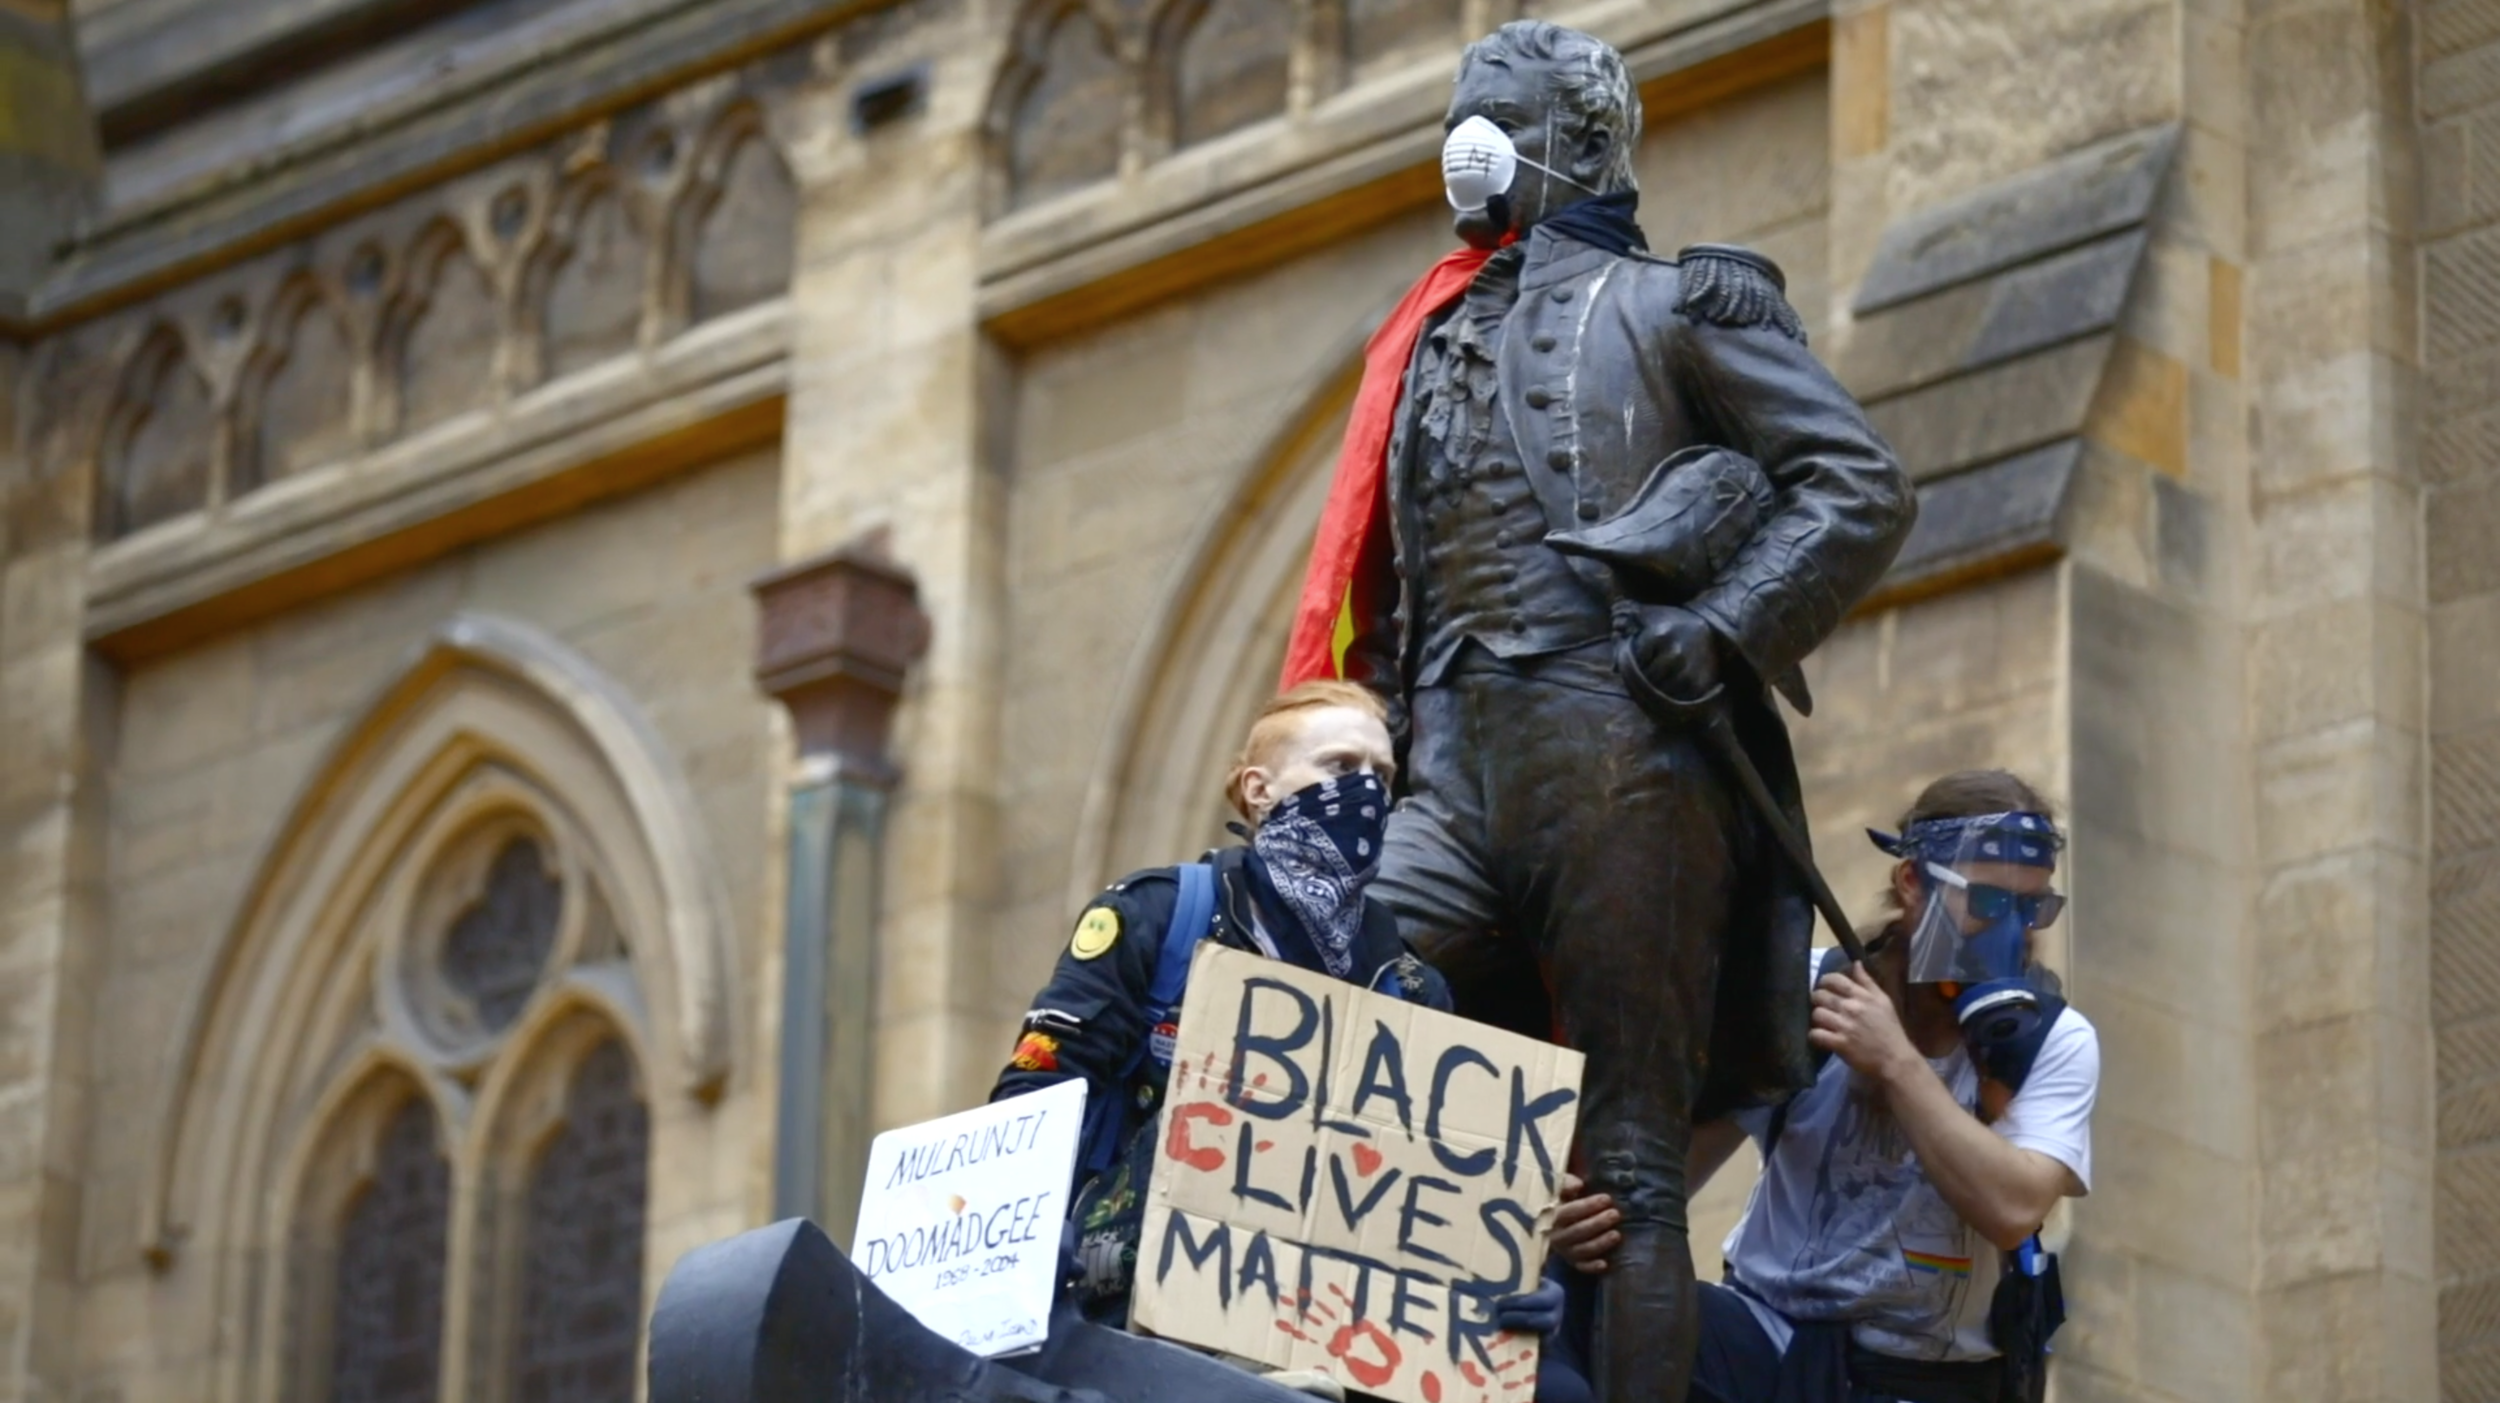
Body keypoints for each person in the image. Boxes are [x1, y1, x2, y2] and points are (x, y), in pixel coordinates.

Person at [1274, 20, 1915, 1403]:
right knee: (1314, 1005)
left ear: (1573, 139)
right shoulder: (1422, 337)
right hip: (1446, 765)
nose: (1469, 133)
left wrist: (1722, 623)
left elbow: (1858, 483)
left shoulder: (1682, 306)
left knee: (1632, 1161)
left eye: (1494, 110)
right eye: (1464, 106)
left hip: (1620, 754)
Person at [1547, 771, 2099, 1403]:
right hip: (1770, 1339)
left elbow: (2013, 1211)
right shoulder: (1807, 991)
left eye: (2033, 908)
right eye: (1987, 904)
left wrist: (1895, 1061)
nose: (2012, 931)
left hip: (1925, 1379)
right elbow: (1668, 1172)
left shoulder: (2055, 1039)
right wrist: (1575, 1222)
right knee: (1572, 1303)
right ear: (1912, 883)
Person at [989, 680, 1464, 1334]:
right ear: (1259, 788)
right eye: (1340, 767)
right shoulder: (1157, 914)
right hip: (1134, 1310)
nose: (1367, 792)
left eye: (1382, 775)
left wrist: (1492, 1287)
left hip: (1333, 1324)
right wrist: (1024, 1241)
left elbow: (1439, 1176)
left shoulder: (1409, 986)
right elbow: (1038, 1088)